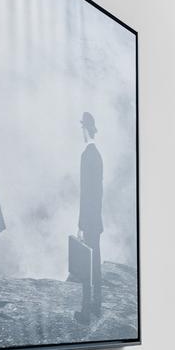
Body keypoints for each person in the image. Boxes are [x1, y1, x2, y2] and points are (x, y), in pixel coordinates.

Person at [77, 112, 104, 322]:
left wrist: (81, 223)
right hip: (97, 220)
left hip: (89, 220)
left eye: (81, 129)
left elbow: (85, 193)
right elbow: (98, 193)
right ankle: (97, 307)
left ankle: (86, 312)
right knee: (96, 262)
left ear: (86, 129)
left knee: (87, 266)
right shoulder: (98, 156)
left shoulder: (86, 155)